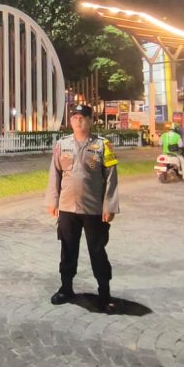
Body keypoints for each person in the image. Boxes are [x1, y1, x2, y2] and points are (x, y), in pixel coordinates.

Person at [45, 104, 120, 312]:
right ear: (70, 121)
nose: (78, 120)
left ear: (91, 120)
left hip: (93, 208)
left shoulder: (103, 145)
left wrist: (109, 205)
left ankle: (104, 293)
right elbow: (55, 174)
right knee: (68, 250)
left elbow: (111, 177)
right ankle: (66, 288)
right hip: (67, 207)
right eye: (75, 117)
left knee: (97, 251)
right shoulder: (62, 145)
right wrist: (53, 201)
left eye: (83, 117)